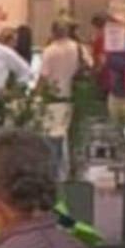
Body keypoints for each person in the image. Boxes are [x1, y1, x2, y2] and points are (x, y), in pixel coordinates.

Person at [39, 23, 90, 154]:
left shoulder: (49, 51)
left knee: (54, 135)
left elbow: (43, 77)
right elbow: (90, 65)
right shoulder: (79, 48)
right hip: (77, 97)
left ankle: (56, 166)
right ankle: (74, 163)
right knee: (75, 136)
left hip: (54, 97)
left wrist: (36, 94)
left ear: (52, 33)